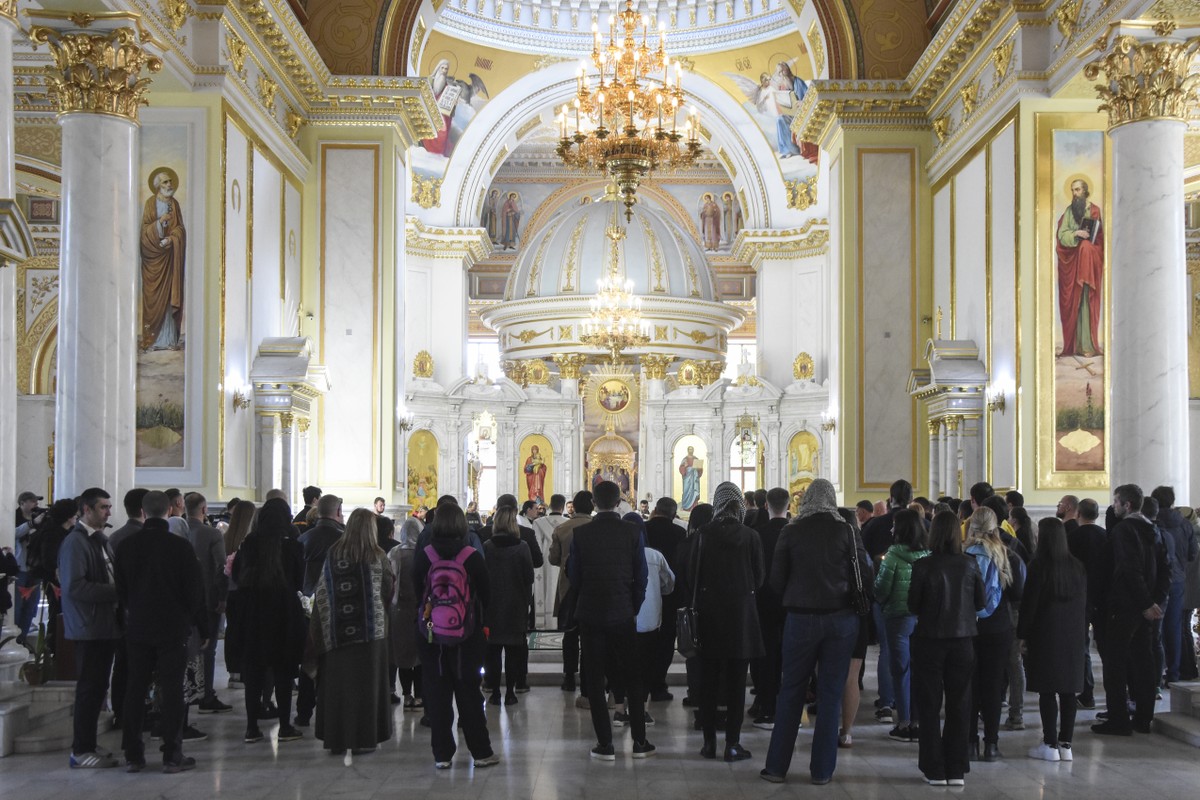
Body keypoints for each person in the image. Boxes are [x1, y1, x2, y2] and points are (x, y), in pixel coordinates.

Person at [761, 479, 867, 785]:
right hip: (841, 620)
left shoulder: (791, 531)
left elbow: (776, 581)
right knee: (831, 694)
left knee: (791, 691)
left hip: (801, 618)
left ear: (806, 499)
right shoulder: (846, 530)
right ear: (832, 500)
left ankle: (777, 768)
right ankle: (822, 771)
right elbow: (864, 574)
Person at [115, 490, 207, 774]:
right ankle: (171, 754)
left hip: (138, 627)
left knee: (135, 689)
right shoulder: (179, 547)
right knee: (172, 690)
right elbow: (194, 592)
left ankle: (133, 754)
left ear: (143, 511)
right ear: (168, 510)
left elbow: (121, 591)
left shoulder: (126, 546)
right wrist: (201, 628)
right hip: (172, 627)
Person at [568, 480, 654, 760]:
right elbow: (641, 576)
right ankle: (640, 742)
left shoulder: (581, 534)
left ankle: (605, 744)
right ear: (619, 502)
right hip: (623, 613)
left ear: (594, 503)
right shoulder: (632, 531)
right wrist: (633, 607)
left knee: (594, 678)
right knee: (632, 675)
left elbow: (575, 577)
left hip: (591, 613)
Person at [413, 503, 498, 769]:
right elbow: (486, 594)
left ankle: (442, 755)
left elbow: (418, 592)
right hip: (467, 635)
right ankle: (481, 753)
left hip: (430, 635)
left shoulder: (424, 554)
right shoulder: (471, 555)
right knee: (469, 692)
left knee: (436, 693)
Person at [308, 508, 394, 756]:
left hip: (337, 631)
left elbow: (322, 590)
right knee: (368, 687)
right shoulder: (378, 556)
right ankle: (364, 739)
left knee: (338, 687)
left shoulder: (334, 554)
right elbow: (388, 590)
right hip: (371, 632)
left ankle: (336, 739)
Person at [909, 511, 986, 786]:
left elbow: (912, 605)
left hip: (929, 640)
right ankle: (956, 768)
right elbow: (981, 602)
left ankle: (934, 768)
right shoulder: (970, 564)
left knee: (929, 705)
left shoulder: (923, 566)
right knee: (960, 703)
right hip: (963, 640)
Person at [1093, 484, 1169, 736]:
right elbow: (1165, 571)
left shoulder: (1124, 530)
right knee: (1143, 662)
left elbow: (1128, 569)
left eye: (1116, 502)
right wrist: (1154, 602)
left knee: (1115, 665)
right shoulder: (1153, 528)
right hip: (1145, 608)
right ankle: (1144, 717)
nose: (1113, 506)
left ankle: (1118, 720)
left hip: (1125, 606)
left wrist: (1147, 603)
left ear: (1127, 505)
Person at [230, 498, 307, 743]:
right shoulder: (292, 546)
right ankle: (285, 725)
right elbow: (299, 581)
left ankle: (252, 727)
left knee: (254, 671)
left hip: (252, 612)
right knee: (284, 670)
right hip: (284, 612)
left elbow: (236, 574)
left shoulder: (250, 544)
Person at [59, 488, 121, 769]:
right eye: (103, 507)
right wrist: (118, 591)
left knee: (97, 688)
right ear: (86, 510)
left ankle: (89, 743)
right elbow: (75, 587)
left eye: (109, 507)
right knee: (89, 689)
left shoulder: (99, 540)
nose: (108, 512)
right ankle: (80, 750)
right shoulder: (75, 543)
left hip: (105, 624)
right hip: (89, 625)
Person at [1019, 518, 1087, 762]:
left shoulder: (1039, 565)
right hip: (1074, 635)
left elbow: (1030, 605)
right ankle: (1066, 744)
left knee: (1047, 691)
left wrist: (1022, 635)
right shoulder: (1077, 566)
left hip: (1045, 634)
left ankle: (1049, 744)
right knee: (1069, 691)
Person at [964, 506, 1024, 761]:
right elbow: (1019, 594)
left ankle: (969, 742)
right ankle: (991, 745)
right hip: (998, 628)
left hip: (968, 627)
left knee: (969, 686)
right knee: (992, 686)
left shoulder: (963, 555)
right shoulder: (1009, 556)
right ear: (995, 527)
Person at [612, 511, 674, 727]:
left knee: (620, 663)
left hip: (620, 617)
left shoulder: (616, 552)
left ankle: (620, 709)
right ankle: (644, 710)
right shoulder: (654, 556)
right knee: (645, 665)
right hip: (649, 619)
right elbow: (669, 584)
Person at [874, 508, 930, 742]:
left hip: (898, 618)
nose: (891, 529)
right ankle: (918, 721)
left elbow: (881, 590)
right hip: (922, 620)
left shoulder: (893, 556)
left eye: (895, 525)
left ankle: (905, 723)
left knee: (901, 671)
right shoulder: (928, 554)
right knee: (919, 672)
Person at [183, 493, 231, 714]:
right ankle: (206, 695)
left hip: (183, 600)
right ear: (204, 510)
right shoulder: (211, 533)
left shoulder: (178, 531)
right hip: (208, 598)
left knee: (187, 648)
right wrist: (222, 597)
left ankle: (189, 692)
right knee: (208, 649)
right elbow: (222, 568)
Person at [483, 506, 534, 706]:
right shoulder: (522, 547)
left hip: (492, 605)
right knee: (513, 650)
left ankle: (495, 691)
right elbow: (529, 577)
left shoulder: (487, 546)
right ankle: (511, 692)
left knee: (493, 650)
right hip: (516, 604)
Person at [750, 487, 789, 729]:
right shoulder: (796, 532)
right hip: (791, 602)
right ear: (788, 506)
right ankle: (786, 705)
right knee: (788, 654)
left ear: (766, 506)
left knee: (764, 654)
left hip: (763, 601)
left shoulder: (756, 534)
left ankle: (765, 703)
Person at [1151, 485, 1197, 685]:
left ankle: (1154, 676)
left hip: (1156, 579)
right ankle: (1174, 674)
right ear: (1172, 501)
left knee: (1154, 628)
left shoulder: (1152, 522)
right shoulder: (1185, 524)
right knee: (1174, 627)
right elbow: (1192, 554)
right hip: (1178, 579)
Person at [550, 491, 593, 694]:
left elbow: (553, 559)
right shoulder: (597, 527)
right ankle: (590, 677)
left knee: (569, 634)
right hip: (593, 587)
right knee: (591, 634)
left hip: (568, 586)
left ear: (573, 506)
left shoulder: (562, 528)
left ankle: (568, 677)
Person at [1055, 178, 1104, 358]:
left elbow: (1098, 238)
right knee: (1074, 302)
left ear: (1085, 191)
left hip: (1089, 264)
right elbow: (1062, 235)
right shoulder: (1069, 212)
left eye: (1077, 190)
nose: (1074, 194)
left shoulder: (1094, 210)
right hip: (1073, 264)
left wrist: (1086, 241)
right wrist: (1076, 233)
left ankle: (1088, 345)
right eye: (1072, 190)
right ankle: (1074, 346)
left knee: (1086, 301)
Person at [644, 496, 686, 702]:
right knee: (667, 640)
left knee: (645, 639)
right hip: (672, 595)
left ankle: (641, 684)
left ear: (655, 510)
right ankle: (658, 685)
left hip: (644, 593)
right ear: (673, 513)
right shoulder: (680, 533)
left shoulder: (643, 529)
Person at [140, 168, 186, 350]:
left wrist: (171, 238)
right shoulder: (150, 204)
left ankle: (168, 340)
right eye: (165, 182)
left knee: (169, 298)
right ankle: (152, 340)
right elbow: (144, 231)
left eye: (170, 182)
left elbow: (180, 229)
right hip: (153, 259)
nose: (169, 185)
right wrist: (159, 223)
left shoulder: (174, 204)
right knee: (153, 298)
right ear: (158, 185)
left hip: (170, 257)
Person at [1067, 498, 1106, 708]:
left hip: (1079, 597)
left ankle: (1086, 691)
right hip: (1103, 597)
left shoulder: (1073, 536)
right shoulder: (1105, 536)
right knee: (1105, 648)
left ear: (1078, 513)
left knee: (1081, 646)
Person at [388, 513, 422, 709]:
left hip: (398, 611)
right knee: (419, 656)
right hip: (420, 611)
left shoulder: (394, 553)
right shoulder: (423, 552)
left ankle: (407, 695)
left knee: (402, 655)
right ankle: (419, 696)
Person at [222, 500, 257, 688]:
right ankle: (244, 670)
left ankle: (234, 672)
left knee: (233, 630)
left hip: (230, 593)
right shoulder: (251, 540)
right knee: (246, 631)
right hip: (246, 592)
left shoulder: (225, 537)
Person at [300, 494, 345, 595]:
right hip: (337, 596)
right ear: (338, 512)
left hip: (307, 596)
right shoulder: (345, 540)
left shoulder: (303, 538)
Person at [678, 446, 704, 511]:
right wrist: (685, 467)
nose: (691, 450)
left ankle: (694, 507)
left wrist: (698, 469)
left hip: (694, 478)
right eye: (689, 449)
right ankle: (686, 507)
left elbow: (700, 469)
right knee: (686, 491)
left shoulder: (696, 459)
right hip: (687, 478)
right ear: (688, 450)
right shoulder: (685, 459)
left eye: (692, 449)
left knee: (694, 491)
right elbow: (681, 469)